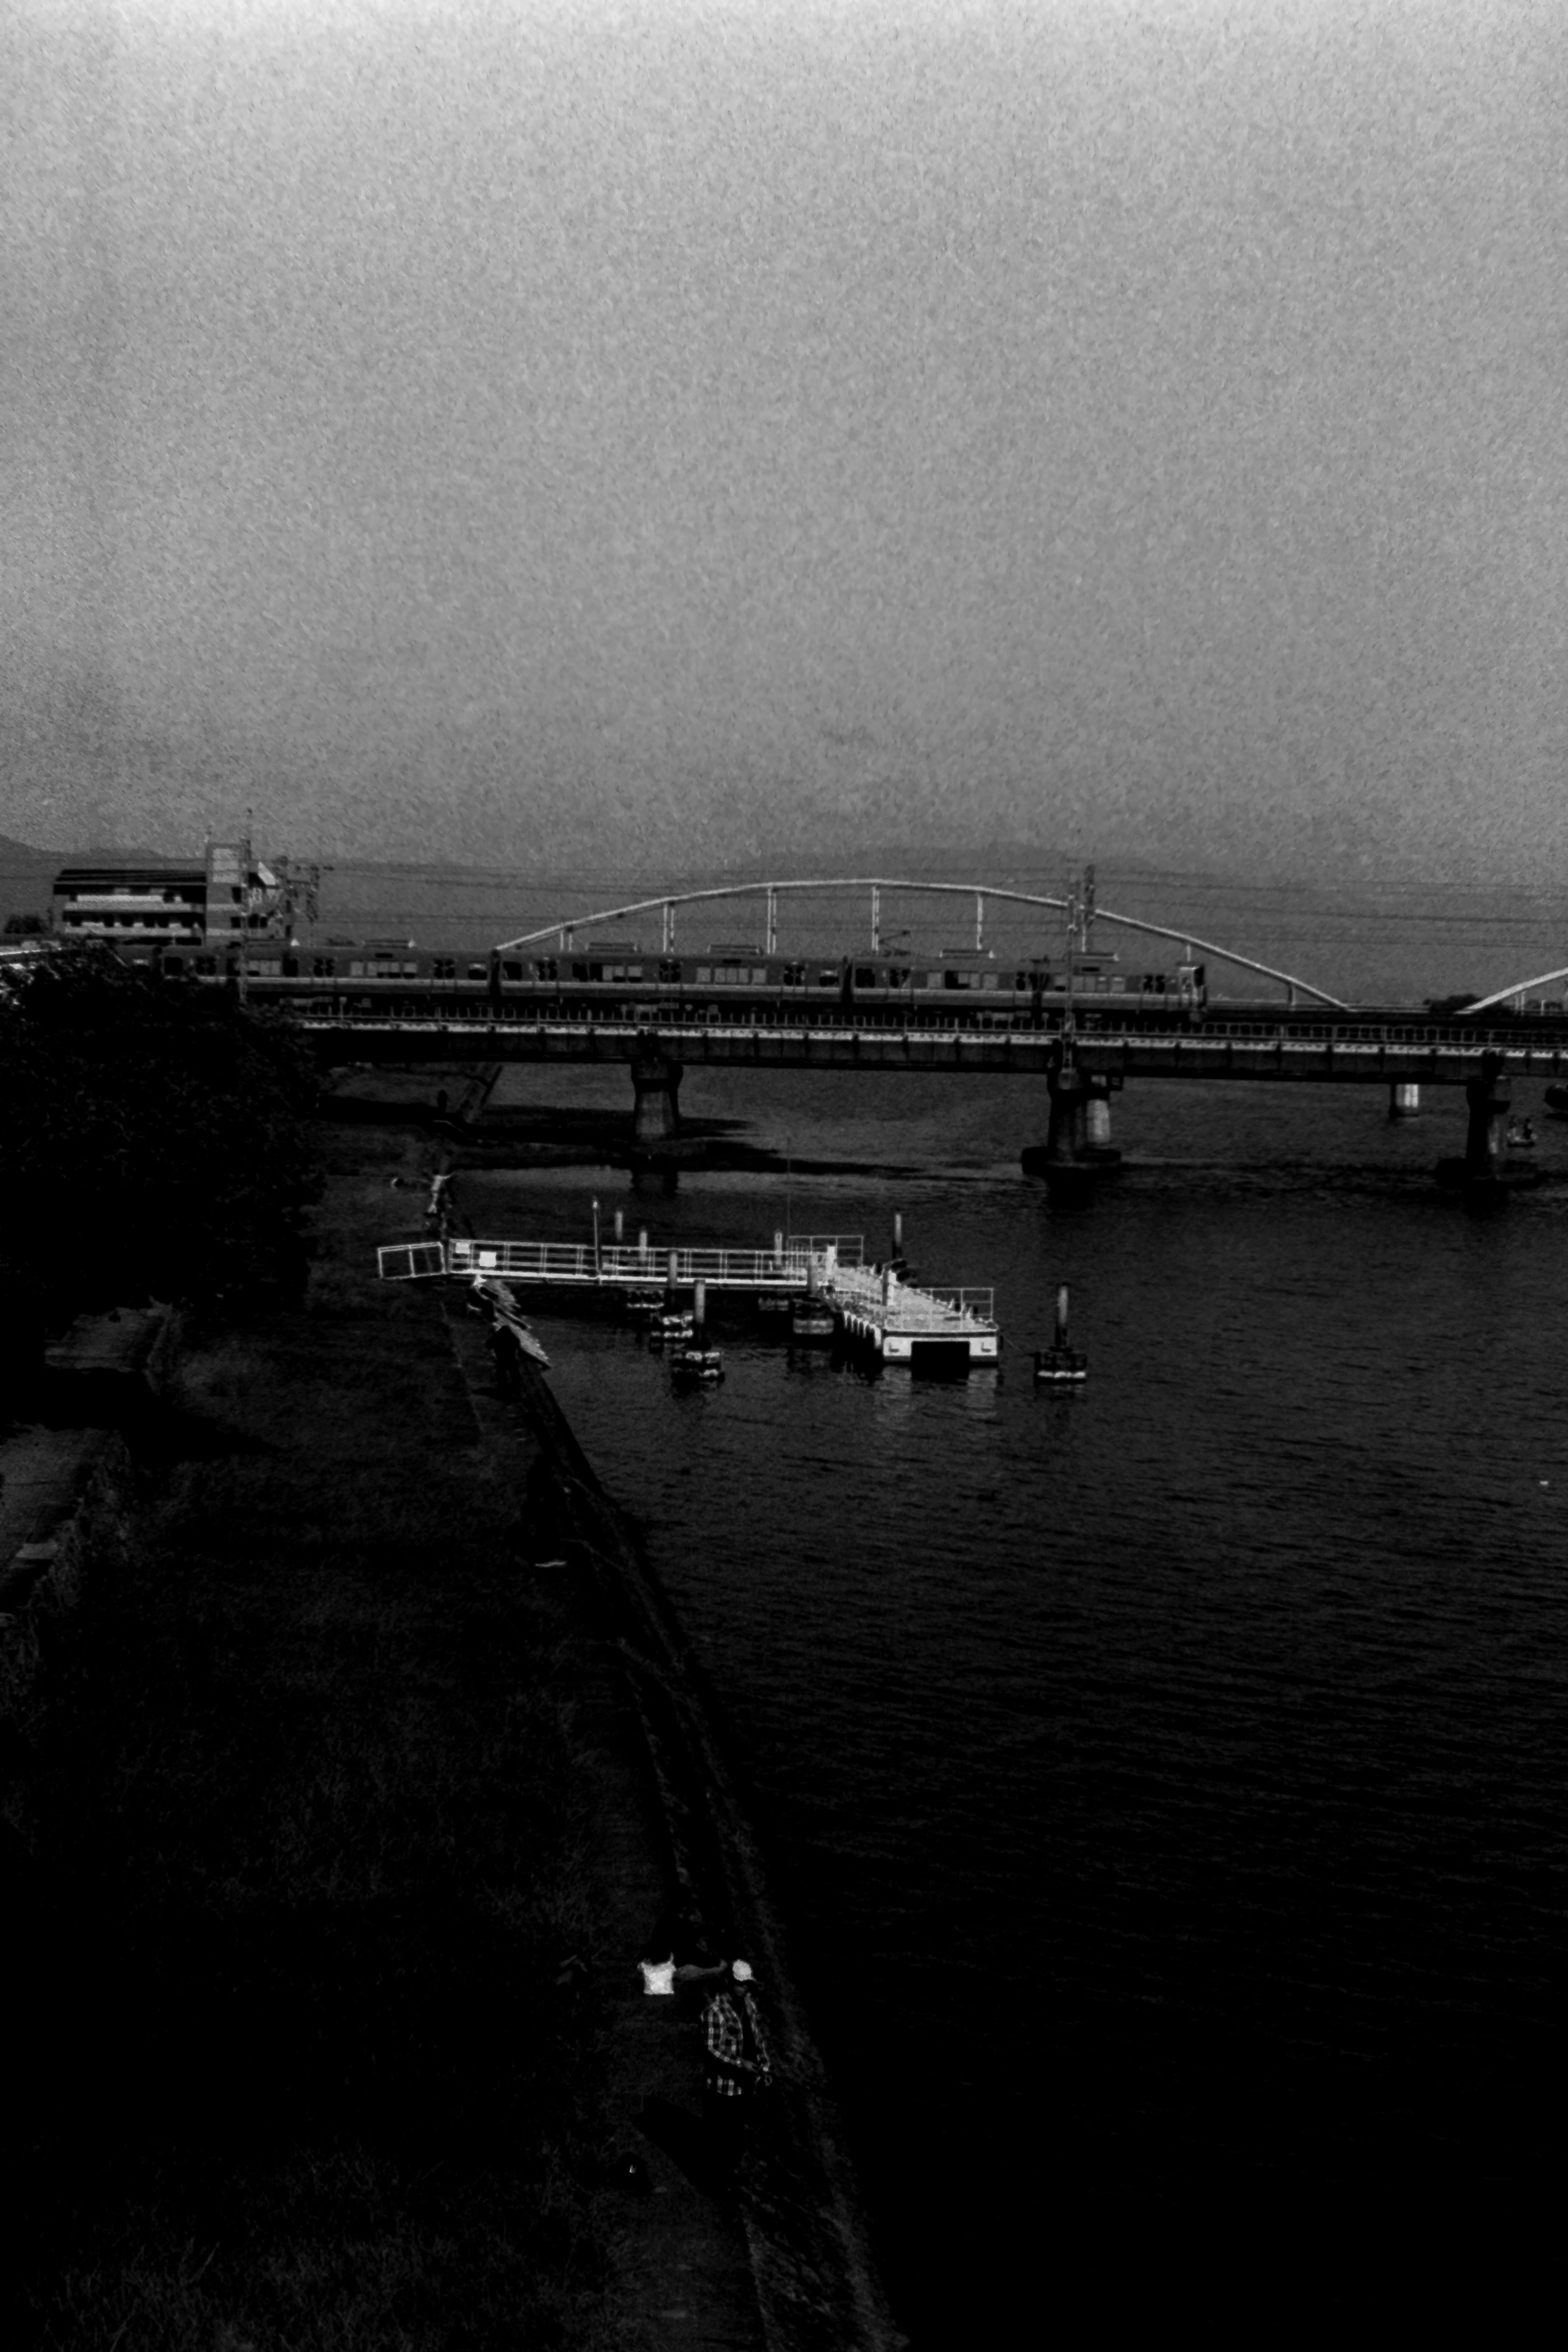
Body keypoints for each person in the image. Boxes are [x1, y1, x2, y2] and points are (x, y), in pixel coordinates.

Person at [701, 1958, 772, 2187]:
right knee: (722, 2139)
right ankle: (717, 2181)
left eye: (747, 1985)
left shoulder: (749, 2006)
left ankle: (725, 2176)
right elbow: (712, 2050)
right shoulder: (714, 2013)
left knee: (736, 2139)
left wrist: (764, 2065)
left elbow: (757, 2039)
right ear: (729, 1983)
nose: (744, 1989)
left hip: (744, 2086)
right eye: (740, 1984)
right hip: (722, 2089)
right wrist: (741, 2064)